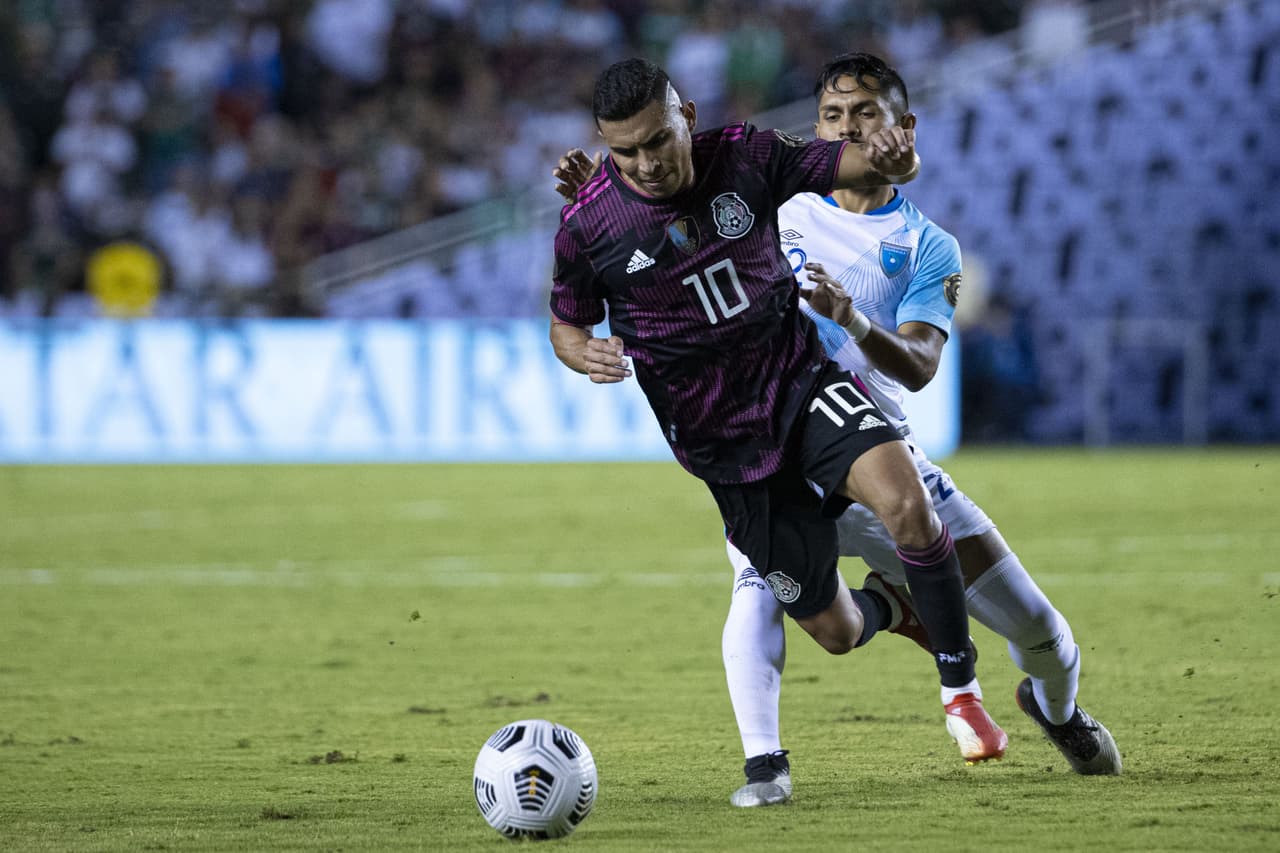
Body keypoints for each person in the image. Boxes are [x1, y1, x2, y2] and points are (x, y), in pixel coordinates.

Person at [553, 53, 1121, 808]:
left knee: (1042, 630)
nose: (846, 128)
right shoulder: (777, 195)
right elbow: (644, 230)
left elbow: (920, 365)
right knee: (784, 604)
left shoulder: (928, 248)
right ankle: (767, 764)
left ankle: (1056, 710)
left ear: (899, 128)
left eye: (865, 117)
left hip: (860, 430)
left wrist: (854, 300)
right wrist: (602, 188)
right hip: (746, 439)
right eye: (832, 115)